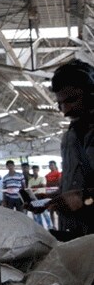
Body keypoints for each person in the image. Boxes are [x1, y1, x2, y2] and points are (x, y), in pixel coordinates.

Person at [46, 59, 94, 235]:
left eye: (71, 100)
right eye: (60, 104)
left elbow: (81, 196)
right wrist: (56, 197)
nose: (65, 111)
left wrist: (83, 199)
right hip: (74, 233)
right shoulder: (69, 138)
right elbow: (75, 181)